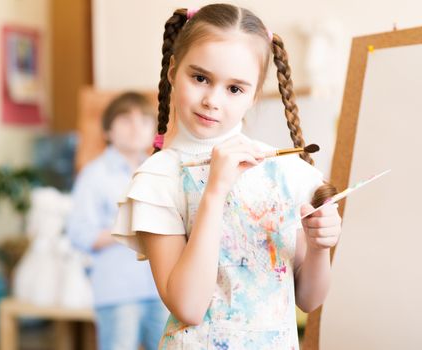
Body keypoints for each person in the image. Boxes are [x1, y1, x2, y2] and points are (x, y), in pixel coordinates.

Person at [112, 4, 342, 349]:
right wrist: (216, 191)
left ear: (253, 96)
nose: (212, 100)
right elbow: (188, 306)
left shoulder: (282, 171)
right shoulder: (158, 179)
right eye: (200, 78)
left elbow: (308, 300)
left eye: (234, 89)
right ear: (174, 71)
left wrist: (320, 248)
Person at [66, 92, 169, 350]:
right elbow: (79, 234)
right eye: (126, 119)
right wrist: (130, 227)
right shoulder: (93, 175)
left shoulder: (159, 169)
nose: (136, 127)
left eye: (144, 120)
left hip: (162, 289)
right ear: (107, 131)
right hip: (118, 292)